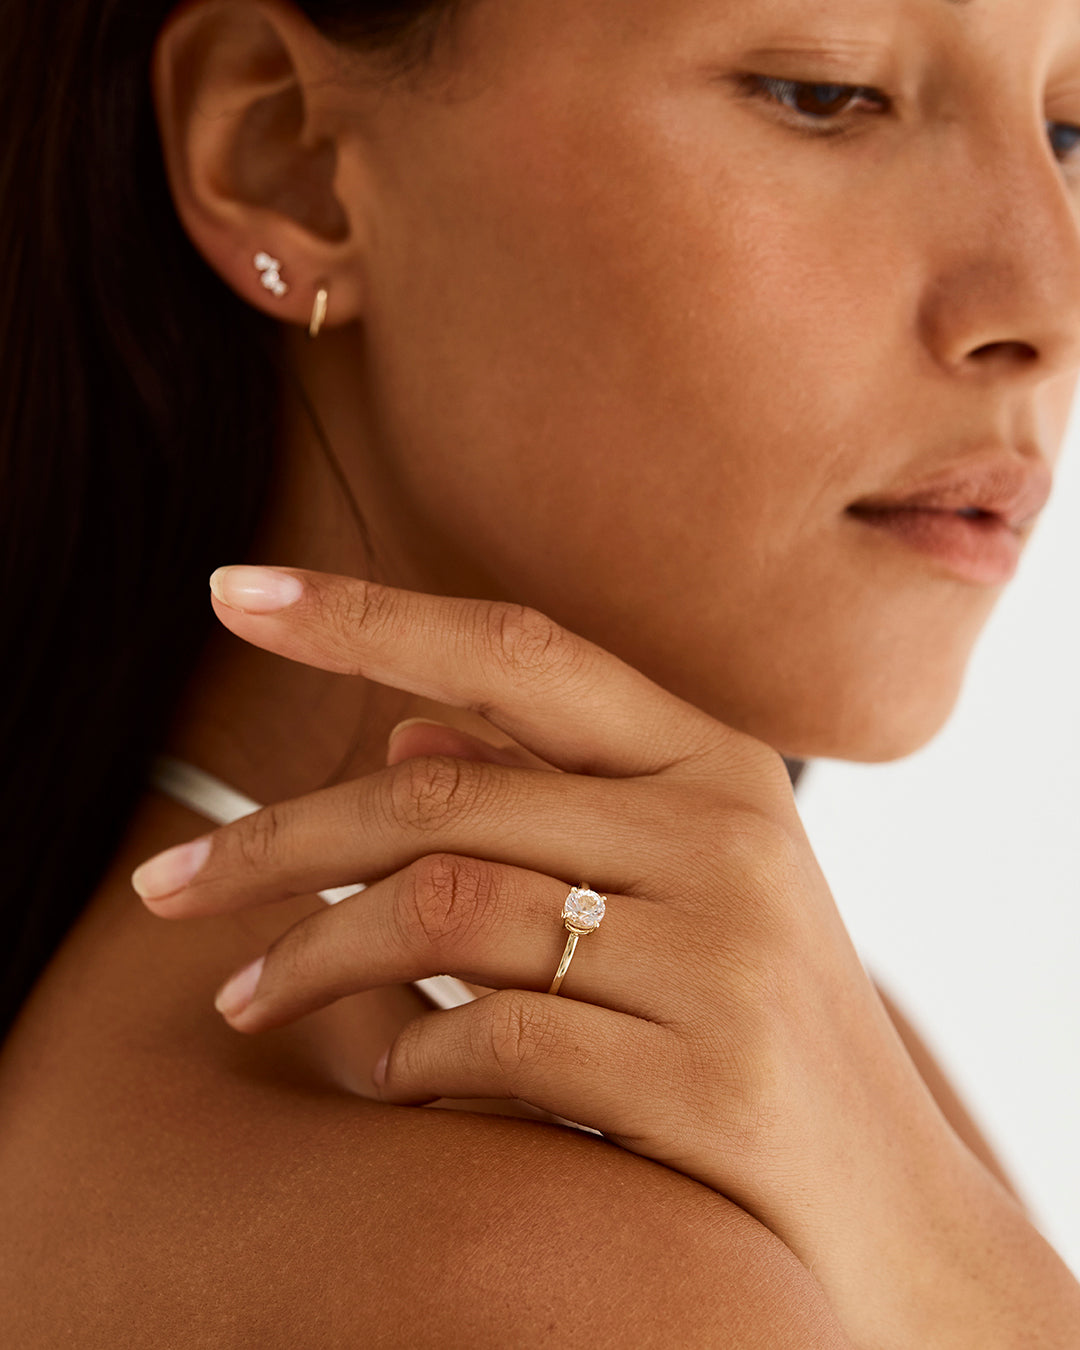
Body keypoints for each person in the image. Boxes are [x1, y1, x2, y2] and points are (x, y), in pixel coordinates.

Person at [2, 0, 1079, 1344]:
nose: (1047, 297)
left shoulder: (787, 1053)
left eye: (1068, 128)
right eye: (823, 91)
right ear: (287, 155)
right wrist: (960, 1264)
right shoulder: (566, 1273)